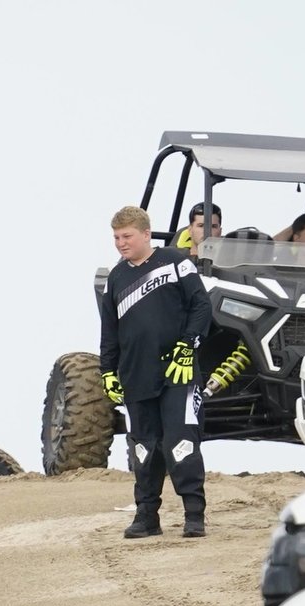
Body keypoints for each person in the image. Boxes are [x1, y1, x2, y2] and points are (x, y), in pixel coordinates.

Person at [100, 205, 213, 539]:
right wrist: (107, 371)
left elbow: (201, 307)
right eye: (116, 237)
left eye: (127, 236)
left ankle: (195, 515)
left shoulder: (177, 262)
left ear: (146, 234)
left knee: (181, 443)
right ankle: (146, 517)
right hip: (136, 376)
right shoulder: (116, 278)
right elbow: (109, 330)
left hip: (178, 374)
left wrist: (188, 347)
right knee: (143, 449)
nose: (121, 243)